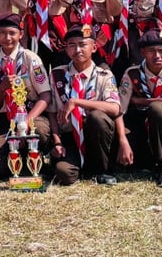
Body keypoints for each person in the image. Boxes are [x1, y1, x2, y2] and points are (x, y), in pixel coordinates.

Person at [47, 24, 123, 185]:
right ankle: (80, 165)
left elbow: (115, 108)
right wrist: (57, 141)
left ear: (94, 48)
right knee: (64, 173)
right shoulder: (57, 74)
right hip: (70, 136)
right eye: (72, 45)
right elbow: (52, 112)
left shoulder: (104, 75)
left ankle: (101, 170)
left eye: (82, 44)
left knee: (97, 117)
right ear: (66, 49)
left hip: (96, 135)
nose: (77, 50)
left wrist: (76, 102)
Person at [0, 14, 53, 179]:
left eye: (12, 33)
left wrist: (25, 121)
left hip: (31, 116)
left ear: (21, 34)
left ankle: (34, 152)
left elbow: (45, 95)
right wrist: (2, 88)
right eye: (2, 33)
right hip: (6, 120)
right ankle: (18, 155)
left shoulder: (31, 58)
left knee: (40, 130)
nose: (7, 38)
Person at [119, 27, 162, 187]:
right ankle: (146, 158)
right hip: (141, 125)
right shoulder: (132, 73)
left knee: (157, 108)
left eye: (161, 51)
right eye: (151, 51)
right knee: (125, 159)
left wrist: (140, 101)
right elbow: (119, 109)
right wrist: (122, 141)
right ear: (142, 52)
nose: (157, 55)